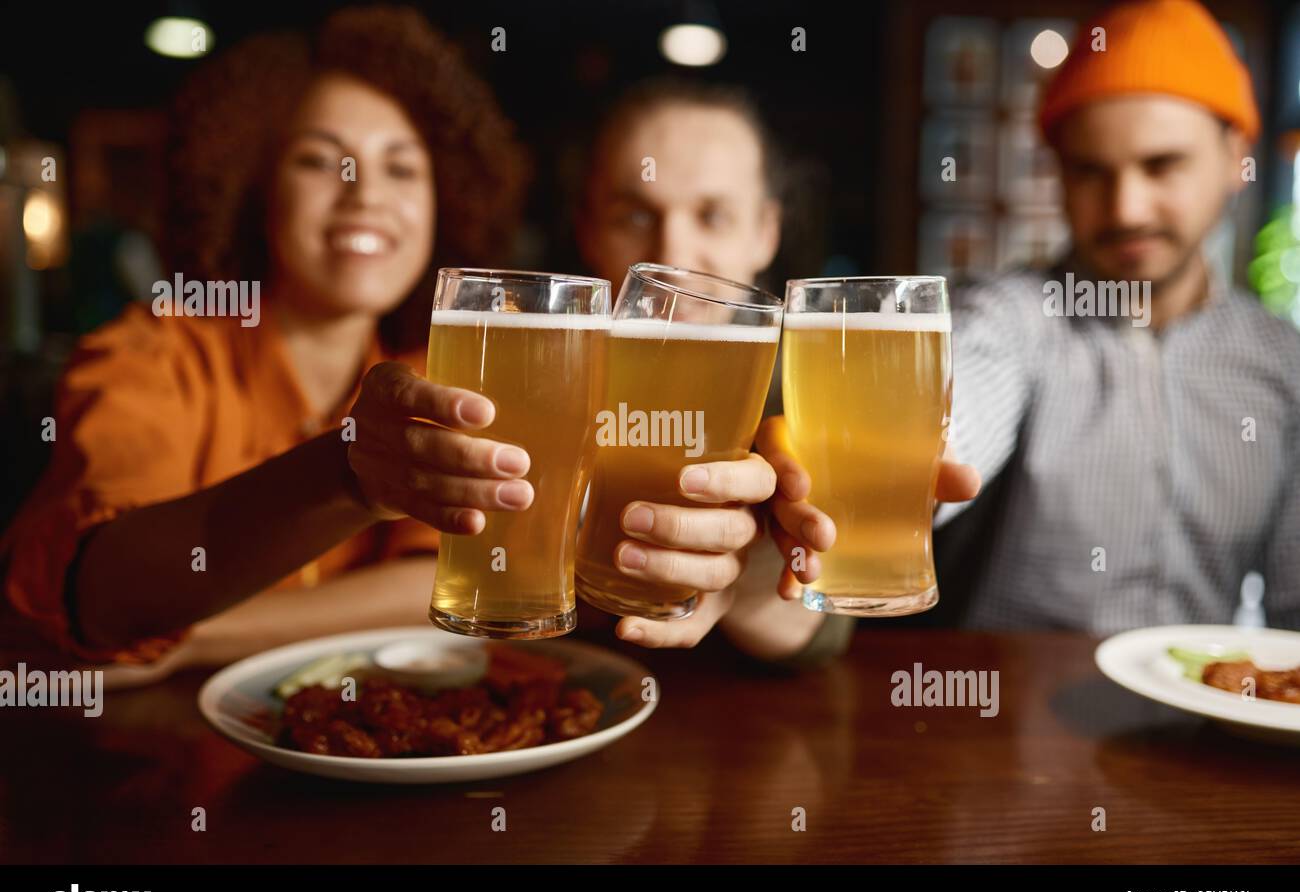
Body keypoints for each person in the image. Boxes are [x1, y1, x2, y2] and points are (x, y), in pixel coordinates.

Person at [0, 9, 779, 675]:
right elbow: (96, 592)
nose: (365, 192)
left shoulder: (431, 373)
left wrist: (193, 638)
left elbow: (444, 583)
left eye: (402, 169)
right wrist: (346, 475)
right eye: (318, 160)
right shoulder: (147, 359)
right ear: (251, 186)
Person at [765, 0, 1300, 633]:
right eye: (1090, 171)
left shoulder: (1283, 362)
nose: (1126, 207)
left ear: (1236, 154)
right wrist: (902, 461)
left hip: (1204, 717)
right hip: (1006, 716)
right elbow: (963, 401)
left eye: (1162, 166)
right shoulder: (1014, 315)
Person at [573, 78, 981, 661]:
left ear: (767, 232)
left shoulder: (817, 381)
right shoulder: (534, 360)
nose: (674, 254)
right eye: (634, 215)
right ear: (588, 229)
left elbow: (817, 631)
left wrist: (762, 557)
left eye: (712, 216)